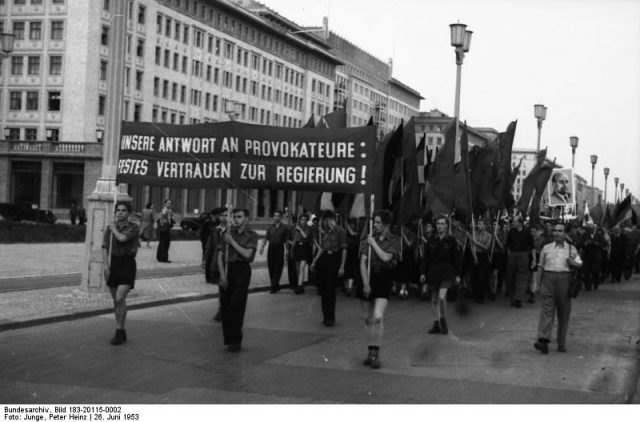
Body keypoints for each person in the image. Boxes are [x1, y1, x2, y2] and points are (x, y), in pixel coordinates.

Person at [358, 209, 400, 369]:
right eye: (374, 222)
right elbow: (363, 262)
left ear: (386, 224)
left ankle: (376, 353)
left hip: (384, 278)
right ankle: (370, 352)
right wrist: (366, 283)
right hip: (368, 277)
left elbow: (386, 257)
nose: (374, 225)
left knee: (378, 317)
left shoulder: (394, 240)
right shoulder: (367, 239)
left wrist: (373, 243)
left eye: (377, 222)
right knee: (367, 318)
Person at [534, 222, 582, 354]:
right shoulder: (546, 248)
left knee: (563, 313)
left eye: (560, 231)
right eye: (555, 231)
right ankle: (543, 341)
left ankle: (561, 343)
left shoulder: (571, 249)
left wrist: (573, 263)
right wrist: (537, 283)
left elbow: (580, 263)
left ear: (565, 233)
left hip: (565, 281)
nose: (557, 233)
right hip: (548, 280)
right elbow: (540, 266)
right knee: (547, 311)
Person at [217, 208, 258, 352]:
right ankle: (228, 339)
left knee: (236, 306)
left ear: (246, 218)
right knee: (225, 306)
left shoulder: (252, 235)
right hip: (227, 270)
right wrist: (222, 276)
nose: (236, 219)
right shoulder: (227, 233)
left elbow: (248, 255)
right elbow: (220, 256)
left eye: (239, 216)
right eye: (234, 216)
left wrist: (232, 242)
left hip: (242, 270)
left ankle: (236, 339)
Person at [102, 202, 139, 346]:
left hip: (127, 264)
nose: (120, 213)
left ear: (128, 213)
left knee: (119, 298)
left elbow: (122, 238)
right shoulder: (109, 229)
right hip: (114, 264)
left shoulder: (133, 228)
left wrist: (113, 229)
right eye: (118, 210)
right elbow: (105, 248)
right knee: (116, 301)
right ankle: (121, 329)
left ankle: (118, 330)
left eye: (123, 211)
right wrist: (105, 266)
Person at [421, 215, 462, 335]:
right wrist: (423, 272)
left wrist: (458, 274)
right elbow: (425, 258)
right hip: (433, 272)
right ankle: (436, 323)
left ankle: (443, 319)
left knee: (442, 296)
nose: (440, 226)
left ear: (447, 226)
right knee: (434, 299)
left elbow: (457, 259)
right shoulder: (431, 240)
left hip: (446, 272)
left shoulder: (451, 240)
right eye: (438, 224)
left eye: (442, 224)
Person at [310, 210, 347, 327]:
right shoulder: (325, 232)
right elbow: (322, 249)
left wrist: (342, 267)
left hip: (334, 259)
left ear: (331, 219)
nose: (324, 222)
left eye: (326, 220)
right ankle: (325, 316)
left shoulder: (340, 231)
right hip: (324, 260)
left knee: (331, 289)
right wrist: (314, 262)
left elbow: (344, 250)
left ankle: (331, 317)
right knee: (323, 289)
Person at [505, 216, 537, 308]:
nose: (513, 223)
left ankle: (518, 299)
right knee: (511, 277)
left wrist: (534, 259)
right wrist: (509, 256)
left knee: (522, 277)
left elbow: (532, 247)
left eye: (514, 221)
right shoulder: (511, 232)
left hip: (523, 255)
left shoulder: (527, 233)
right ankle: (512, 298)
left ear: (520, 222)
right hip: (512, 255)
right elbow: (507, 246)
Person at [203, 207, 227, 321]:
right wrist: (204, 260)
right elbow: (208, 246)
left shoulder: (232, 231)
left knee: (227, 288)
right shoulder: (215, 230)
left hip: (229, 264)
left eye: (227, 215)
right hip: (216, 263)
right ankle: (222, 309)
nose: (224, 218)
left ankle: (224, 310)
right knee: (221, 288)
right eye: (222, 215)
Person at [260, 210, 290, 294]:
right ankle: (275, 285)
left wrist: (287, 250)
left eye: (278, 216)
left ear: (281, 217)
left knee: (278, 267)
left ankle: (273, 286)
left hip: (280, 248)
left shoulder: (285, 228)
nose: (276, 217)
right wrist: (262, 247)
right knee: (271, 267)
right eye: (275, 216)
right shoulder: (270, 227)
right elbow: (266, 238)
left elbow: (287, 240)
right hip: (271, 248)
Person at [468, 218, 492, 304]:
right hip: (475, 255)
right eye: (478, 224)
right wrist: (474, 257)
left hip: (483, 256)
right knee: (473, 276)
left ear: (485, 225)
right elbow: (471, 245)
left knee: (482, 277)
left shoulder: (489, 235)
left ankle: (481, 296)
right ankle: (475, 295)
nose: (478, 225)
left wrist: (476, 243)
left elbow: (486, 248)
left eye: (481, 224)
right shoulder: (474, 234)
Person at [290, 213, 312, 294]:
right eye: (302, 219)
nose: (303, 221)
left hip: (304, 248)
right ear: (299, 220)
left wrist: (300, 229)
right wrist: (291, 250)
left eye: (305, 220)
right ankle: (301, 285)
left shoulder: (308, 228)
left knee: (302, 268)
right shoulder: (295, 228)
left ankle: (299, 286)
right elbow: (294, 240)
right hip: (297, 247)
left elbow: (305, 236)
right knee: (298, 269)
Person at [579, 223, 606, 291]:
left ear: (595, 229)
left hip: (596, 255)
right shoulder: (584, 235)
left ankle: (596, 283)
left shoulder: (599, 235)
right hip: (587, 255)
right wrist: (585, 243)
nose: (591, 229)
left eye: (592, 228)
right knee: (586, 271)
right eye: (590, 228)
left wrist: (597, 244)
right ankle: (588, 286)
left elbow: (603, 244)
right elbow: (581, 243)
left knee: (595, 271)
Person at [343, 217, 360, 297]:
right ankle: (346, 288)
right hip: (345, 253)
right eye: (350, 224)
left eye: (353, 224)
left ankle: (349, 289)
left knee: (351, 272)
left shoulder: (357, 232)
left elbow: (353, 233)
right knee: (346, 272)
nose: (351, 226)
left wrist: (347, 225)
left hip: (353, 254)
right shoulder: (345, 234)